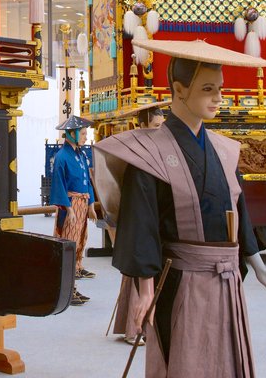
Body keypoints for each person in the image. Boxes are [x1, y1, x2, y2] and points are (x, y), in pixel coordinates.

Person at [94, 40, 266, 377]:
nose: (218, 98)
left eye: (220, 89)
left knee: (224, 358)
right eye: (208, 89)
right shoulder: (149, 155)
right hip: (179, 279)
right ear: (180, 89)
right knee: (184, 360)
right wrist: (144, 291)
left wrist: (256, 264)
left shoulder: (223, 151)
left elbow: (236, 210)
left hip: (225, 279)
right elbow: (143, 226)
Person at [110, 101, 167, 346]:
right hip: (136, 222)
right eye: (154, 125)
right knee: (139, 277)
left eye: (162, 126)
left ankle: (140, 328)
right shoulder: (134, 154)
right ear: (141, 125)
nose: (158, 130)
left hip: (152, 226)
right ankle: (134, 330)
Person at [50, 114, 96, 306]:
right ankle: (69, 291)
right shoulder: (62, 157)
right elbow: (59, 184)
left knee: (80, 241)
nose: (85, 137)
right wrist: (68, 210)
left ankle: (77, 270)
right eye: (83, 133)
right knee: (68, 243)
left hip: (82, 203)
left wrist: (91, 205)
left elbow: (87, 181)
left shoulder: (81, 154)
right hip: (71, 204)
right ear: (72, 134)